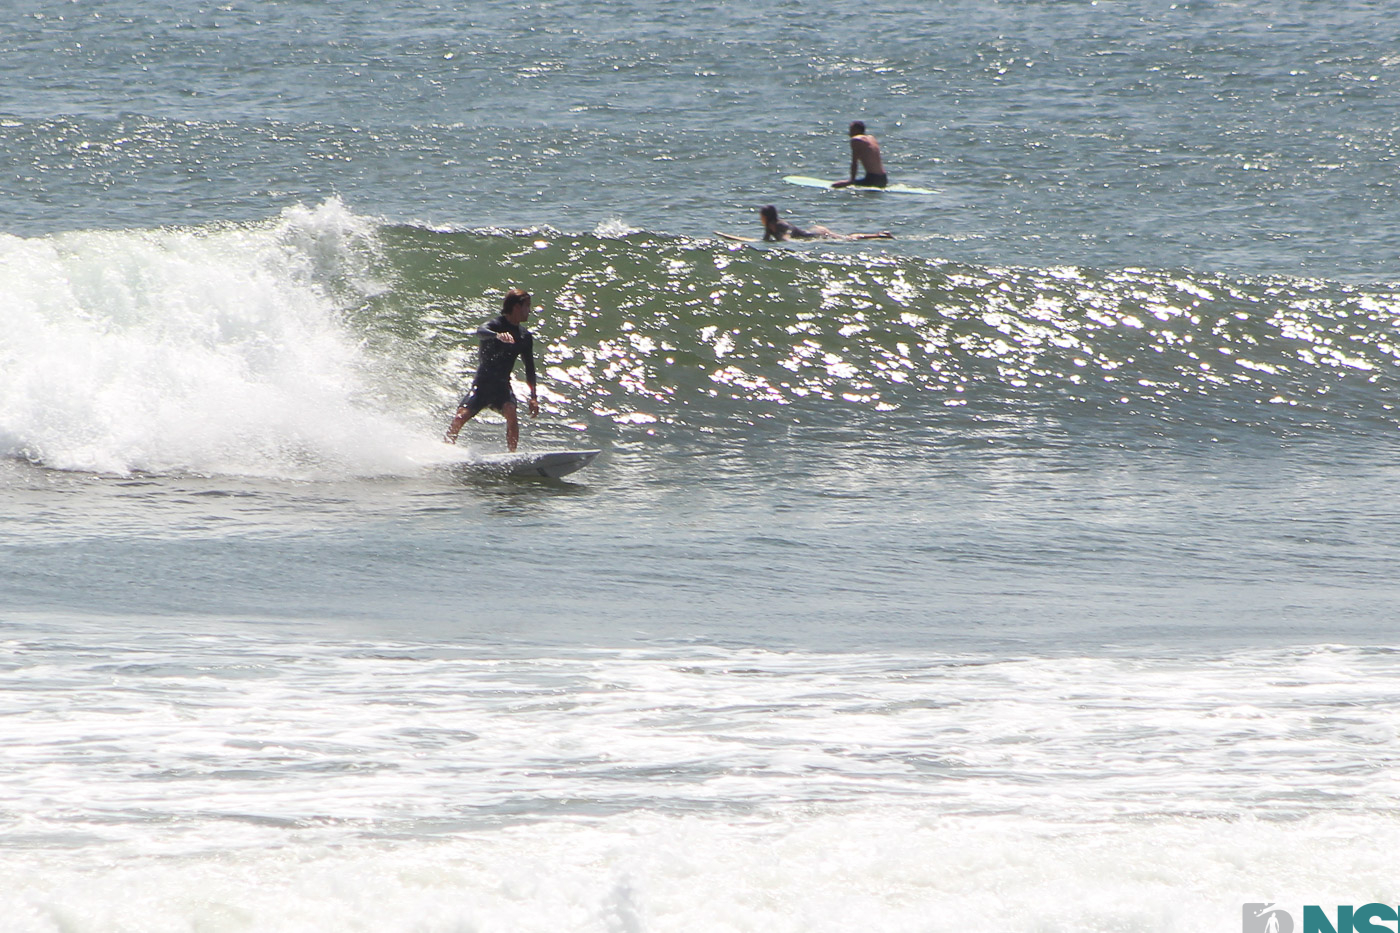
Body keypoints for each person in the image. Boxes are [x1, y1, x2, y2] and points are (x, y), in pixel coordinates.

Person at [444, 288, 539, 451]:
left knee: (511, 413)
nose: (529, 311)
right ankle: (445, 449)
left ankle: (511, 455)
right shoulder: (495, 326)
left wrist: (533, 397)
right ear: (516, 307)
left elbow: (529, 367)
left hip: (502, 387)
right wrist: (497, 336)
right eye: (527, 306)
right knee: (460, 417)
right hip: (482, 385)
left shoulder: (524, 336)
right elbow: (480, 331)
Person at [759, 205, 891, 242]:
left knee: (848, 238)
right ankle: (878, 234)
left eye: (761, 216)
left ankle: (878, 235)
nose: (760, 219)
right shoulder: (769, 228)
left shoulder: (780, 224)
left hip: (817, 233)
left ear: (766, 217)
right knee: (847, 238)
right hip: (812, 232)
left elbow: (787, 233)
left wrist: (784, 239)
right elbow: (765, 241)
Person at [831, 120, 887, 188]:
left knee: (834, 186)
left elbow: (854, 162)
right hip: (883, 179)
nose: (849, 133)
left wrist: (851, 181)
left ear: (856, 130)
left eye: (851, 129)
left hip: (872, 180)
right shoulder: (871, 138)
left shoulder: (856, 140)